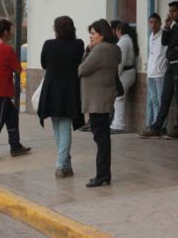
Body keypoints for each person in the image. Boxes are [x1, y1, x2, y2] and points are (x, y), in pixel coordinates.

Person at [139, 1, 178, 139]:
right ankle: (157, 127)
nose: (171, 14)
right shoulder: (175, 26)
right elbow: (165, 42)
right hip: (171, 65)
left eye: (174, 11)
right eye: (170, 11)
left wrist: (177, 54)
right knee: (165, 97)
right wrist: (167, 26)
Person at [37, 16, 85, 177]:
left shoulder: (48, 44)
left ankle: (61, 163)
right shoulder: (78, 45)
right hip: (69, 90)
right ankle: (64, 163)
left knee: (58, 127)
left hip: (51, 90)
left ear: (56, 29)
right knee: (63, 128)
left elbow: (44, 64)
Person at [78, 19, 120, 187]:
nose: (91, 37)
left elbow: (82, 69)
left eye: (94, 33)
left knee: (101, 138)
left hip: (98, 100)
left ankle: (102, 175)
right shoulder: (112, 49)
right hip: (102, 98)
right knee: (102, 137)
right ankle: (103, 174)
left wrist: (88, 50)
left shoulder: (101, 49)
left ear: (102, 35)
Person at [0, 19, 31, 164]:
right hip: (0, 90)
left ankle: (15, 146)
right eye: (9, 31)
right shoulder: (7, 49)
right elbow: (17, 69)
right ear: (5, 32)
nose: (11, 34)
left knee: (11, 115)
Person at [110, 22, 139, 134]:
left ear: (119, 30)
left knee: (119, 98)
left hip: (125, 73)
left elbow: (120, 61)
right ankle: (116, 123)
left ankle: (118, 124)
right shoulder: (129, 40)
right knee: (119, 99)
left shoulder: (123, 41)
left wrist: (115, 75)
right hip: (128, 72)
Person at [146, 13, 167, 129]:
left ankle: (162, 126)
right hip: (150, 72)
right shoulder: (151, 36)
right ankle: (155, 124)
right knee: (153, 100)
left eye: (155, 22)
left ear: (160, 23)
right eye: (151, 22)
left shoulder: (163, 34)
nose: (153, 25)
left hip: (160, 72)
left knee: (160, 99)